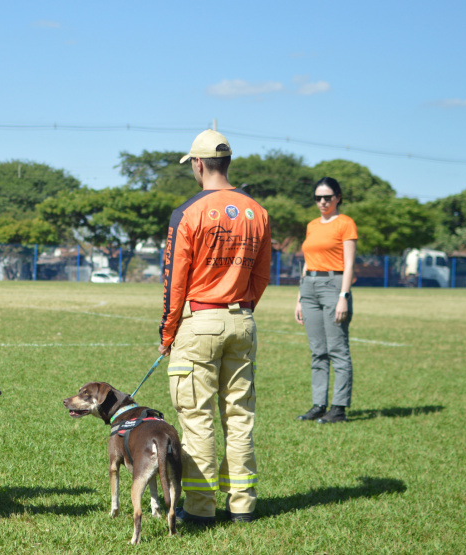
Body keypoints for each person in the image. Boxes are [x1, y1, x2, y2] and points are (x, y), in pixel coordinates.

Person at [158, 129, 271, 526]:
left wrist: (167, 333)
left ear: (198, 164)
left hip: (199, 322)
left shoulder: (188, 212)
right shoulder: (257, 211)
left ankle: (201, 509)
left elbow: (174, 281)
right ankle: (243, 506)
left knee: (198, 418)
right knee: (240, 417)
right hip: (243, 320)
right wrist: (241, 310)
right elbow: (262, 276)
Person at [294, 177, 357, 424]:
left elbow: (350, 263)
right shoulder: (312, 225)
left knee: (337, 350)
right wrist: (300, 298)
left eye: (327, 197)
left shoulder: (346, 223)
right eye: (318, 198)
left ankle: (338, 408)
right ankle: (319, 405)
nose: (322, 202)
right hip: (309, 286)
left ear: (337, 198)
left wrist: (344, 295)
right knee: (318, 351)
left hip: (334, 285)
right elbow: (308, 262)